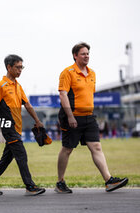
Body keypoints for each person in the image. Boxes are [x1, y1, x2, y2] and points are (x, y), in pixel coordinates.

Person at [55, 42, 128, 193]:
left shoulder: (92, 73)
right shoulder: (67, 72)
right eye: (83, 53)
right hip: (72, 117)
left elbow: (88, 95)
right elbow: (63, 94)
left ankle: (109, 180)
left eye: (88, 53)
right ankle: (60, 182)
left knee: (96, 147)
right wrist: (70, 116)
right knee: (67, 149)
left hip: (89, 117)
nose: (86, 56)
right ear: (75, 56)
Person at [0, 54, 46, 196]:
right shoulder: (1, 86)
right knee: (22, 155)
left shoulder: (18, 86)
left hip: (17, 127)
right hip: (9, 128)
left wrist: (37, 120)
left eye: (22, 67)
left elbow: (27, 105)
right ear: (9, 67)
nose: (20, 70)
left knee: (7, 158)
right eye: (17, 67)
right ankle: (30, 186)